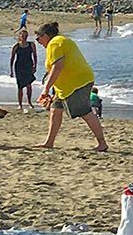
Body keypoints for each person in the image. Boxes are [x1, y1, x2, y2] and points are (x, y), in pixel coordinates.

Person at [33, 21, 106, 151]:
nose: (38, 41)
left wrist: (46, 89)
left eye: (38, 37)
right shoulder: (59, 42)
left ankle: (102, 143)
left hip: (77, 83)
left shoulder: (55, 43)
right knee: (55, 111)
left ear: (46, 35)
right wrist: (54, 88)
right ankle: (49, 142)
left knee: (86, 112)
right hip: (64, 87)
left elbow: (58, 67)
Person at [10, 28, 37, 110]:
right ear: (20, 36)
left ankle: (29, 102)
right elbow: (12, 58)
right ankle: (20, 104)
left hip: (28, 66)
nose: (24, 37)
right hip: (19, 67)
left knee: (29, 85)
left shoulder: (31, 44)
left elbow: (35, 56)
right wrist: (11, 71)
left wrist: (35, 66)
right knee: (20, 86)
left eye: (25, 36)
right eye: (22, 36)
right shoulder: (16, 46)